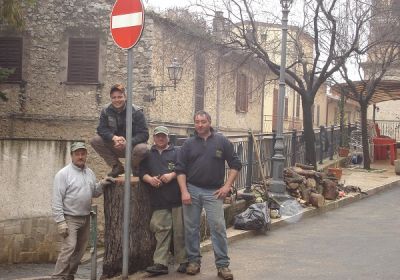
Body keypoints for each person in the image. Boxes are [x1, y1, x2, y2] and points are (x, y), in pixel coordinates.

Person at [175, 111, 242, 280]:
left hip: (214, 192)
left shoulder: (222, 141)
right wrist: (184, 191)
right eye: (197, 122)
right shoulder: (188, 144)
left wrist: (227, 186)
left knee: (218, 228)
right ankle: (193, 262)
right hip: (192, 189)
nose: (200, 125)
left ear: (209, 122)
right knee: (191, 228)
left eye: (203, 122)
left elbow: (236, 164)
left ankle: (222, 265)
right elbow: (180, 169)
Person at [52, 142, 114, 280]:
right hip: (70, 218)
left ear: (86, 155)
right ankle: (57, 277)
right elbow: (56, 200)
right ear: (72, 156)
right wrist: (60, 222)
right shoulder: (63, 174)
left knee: (79, 251)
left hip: (85, 217)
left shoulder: (90, 173)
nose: (80, 156)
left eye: (83, 153)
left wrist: (102, 184)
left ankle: (69, 276)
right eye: (77, 154)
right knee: (69, 248)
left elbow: (94, 193)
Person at [139, 126, 188, 276]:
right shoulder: (147, 154)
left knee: (180, 232)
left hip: (176, 198)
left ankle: (184, 261)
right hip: (158, 199)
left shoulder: (177, 151)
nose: (160, 138)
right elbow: (141, 172)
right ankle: (160, 264)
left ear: (168, 138)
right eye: (158, 136)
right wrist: (149, 179)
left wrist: (171, 175)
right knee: (161, 232)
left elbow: (183, 168)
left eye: (163, 136)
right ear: (153, 138)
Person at [90, 84, 149, 177]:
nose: (117, 100)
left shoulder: (137, 112)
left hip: (133, 147)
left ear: (125, 97)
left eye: (120, 97)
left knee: (143, 148)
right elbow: (101, 129)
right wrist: (113, 138)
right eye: (114, 97)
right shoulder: (106, 111)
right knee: (95, 140)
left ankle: (134, 167)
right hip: (115, 145)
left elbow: (144, 134)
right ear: (111, 98)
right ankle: (116, 166)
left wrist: (128, 141)